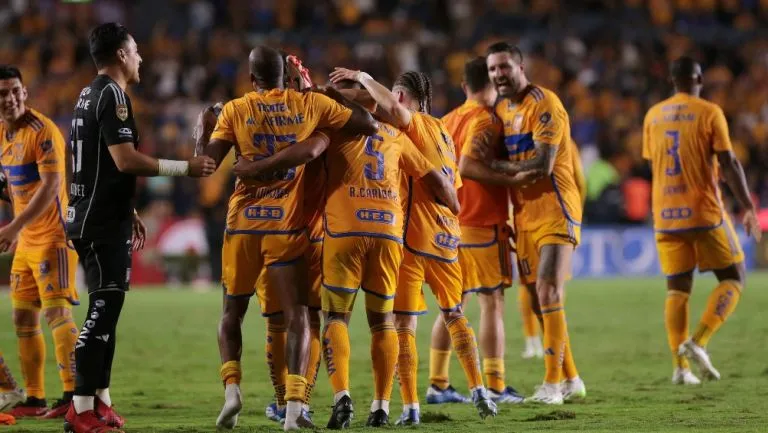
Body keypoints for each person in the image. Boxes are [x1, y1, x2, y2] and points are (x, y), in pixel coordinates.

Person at [194, 45, 377, 431]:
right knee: (298, 317)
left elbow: (205, 165)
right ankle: (293, 409)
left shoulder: (236, 108)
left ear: (251, 78)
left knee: (233, 313)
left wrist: (202, 131)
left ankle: (233, 391)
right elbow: (366, 123)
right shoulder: (310, 106)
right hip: (287, 227)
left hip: (243, 225)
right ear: (284, 76)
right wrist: (330, 94)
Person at [64, 23, 215, 433]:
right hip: (99, 222)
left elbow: (92, 162)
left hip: (97, 214)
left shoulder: (87, 94)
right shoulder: (113, 96)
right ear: (120, 55)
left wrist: (126, 207)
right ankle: (79, 409)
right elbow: (126, 160)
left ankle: (100, 401)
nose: (140, 57)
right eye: (135, 50)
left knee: (107, 311)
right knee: (101, 312)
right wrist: (185, 168)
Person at [329, 67, 497, 424]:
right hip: (447, 238)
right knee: (454, 313)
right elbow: (452, 192)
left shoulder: (413, 124)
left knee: (402, 324)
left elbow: (388, 106)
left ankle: (410, 408)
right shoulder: (444, 132)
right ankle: (480, 389)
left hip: (414, 235)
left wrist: (362, 76)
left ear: (402, 97)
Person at [642, 56, 761, 384]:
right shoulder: (709, 112)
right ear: (699, 81)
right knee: (734, 277)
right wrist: (747, 206)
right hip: (704, 213)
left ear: (672, 81)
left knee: (677, 289)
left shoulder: (653, 115)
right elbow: (729, 161)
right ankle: (699, 341)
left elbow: (653, 163)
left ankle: (680, 368)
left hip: (665, 215)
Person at [485, 42, 585, 404]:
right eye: (493, 69)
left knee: (548, 292)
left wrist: (496, 168)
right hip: (525, 214)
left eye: (504, 67)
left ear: (520, 67)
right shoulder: (501, 108)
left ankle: (552, 386)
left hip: (556, 209)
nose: (498, 74)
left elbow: (543, 165)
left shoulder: (545, 104)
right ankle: (571, 378)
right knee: (540, 303)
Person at [428, 57, 526, 404]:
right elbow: (467, 166)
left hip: (448, 225)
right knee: (491, 303)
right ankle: (496, 385)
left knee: (452, 306)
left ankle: (438, 383)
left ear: (463, 86)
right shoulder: (486, 119)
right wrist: (513, 178)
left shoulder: (445, 120)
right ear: (493, 82)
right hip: (481, 223)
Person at [0, 65, 80, 419]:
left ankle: (74, 396)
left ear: (25, 92)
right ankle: (34, 398)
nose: (10, 98)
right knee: (22, 317)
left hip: (54, 237)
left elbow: (50, 187)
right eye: (2, 93)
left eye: (15, 90)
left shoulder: (42, 131)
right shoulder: (2, 135)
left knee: (56, 313)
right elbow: (14, 188)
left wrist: (13, 227)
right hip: (26, 241)